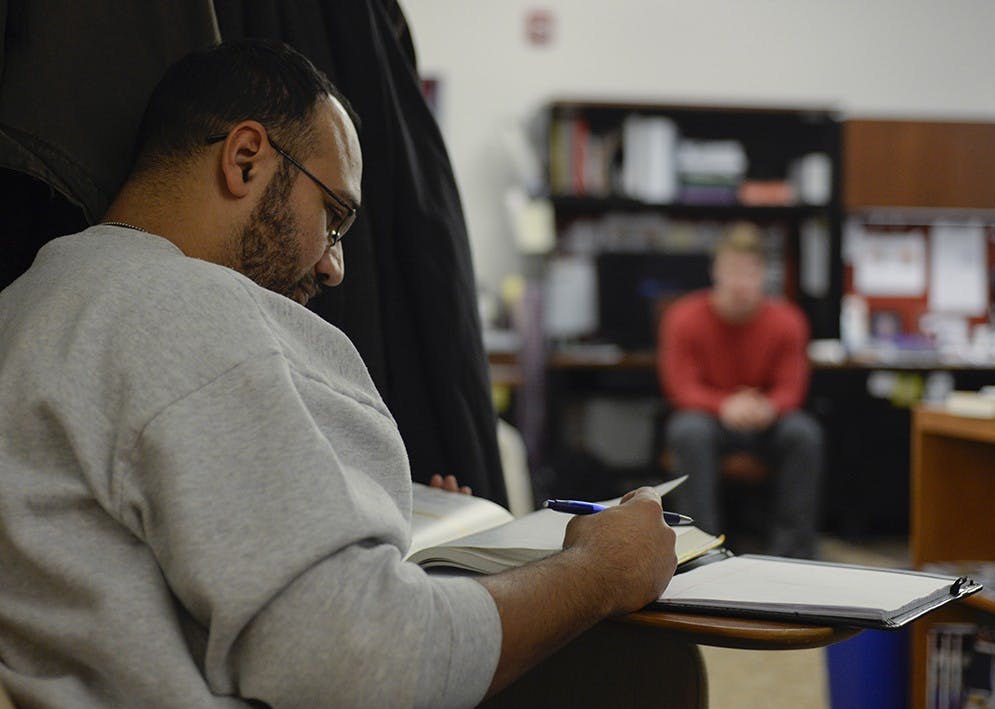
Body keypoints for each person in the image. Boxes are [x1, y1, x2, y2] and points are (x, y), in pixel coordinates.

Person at [0, 40, 677, 707]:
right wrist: (600, 570)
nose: (333, 267)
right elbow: (358, 661)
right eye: (333, 217)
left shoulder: (36, 299)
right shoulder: (179, 306)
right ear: (244, 160)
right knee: (645, 670)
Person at [657, 224, 823, 559]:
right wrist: (725, 405)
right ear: (715, 271)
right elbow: (680, 387)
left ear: (764, 274)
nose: (740, 282)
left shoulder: (788, 321)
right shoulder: (683, 317)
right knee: (688, 430)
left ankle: (792, 551)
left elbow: (792, 388)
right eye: (732, 270)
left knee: (804, 434)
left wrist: (766, 407)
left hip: (765, 422)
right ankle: (700, 548)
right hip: (711, 421)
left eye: (749, 272)